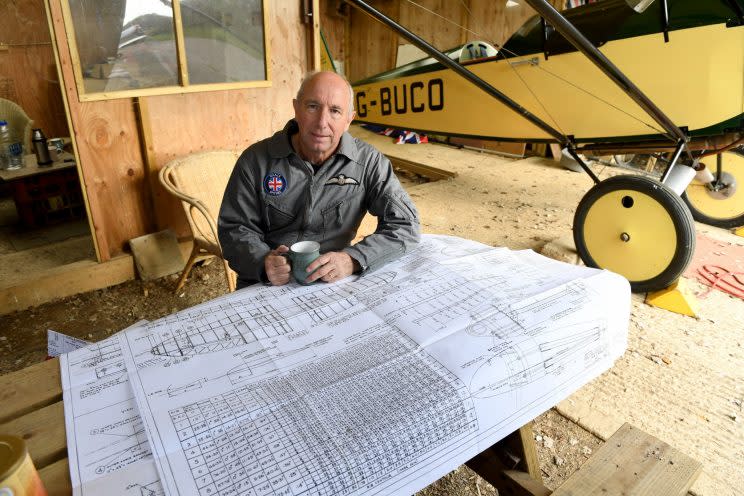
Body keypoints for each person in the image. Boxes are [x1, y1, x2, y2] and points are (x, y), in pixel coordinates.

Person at [218, 71, 420, 289]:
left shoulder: (368, 162)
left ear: (348, 120)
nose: (322, 122)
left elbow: (405, 225)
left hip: (331, 284)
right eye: (312, 106)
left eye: (335, 111)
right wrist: (262, 262)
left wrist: (352, 259)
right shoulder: (256, 160)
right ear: (296, 109)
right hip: (267, 282)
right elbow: (234, 227)